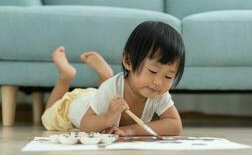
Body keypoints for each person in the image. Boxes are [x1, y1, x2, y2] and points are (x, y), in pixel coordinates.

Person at [42, 21, 185, 136]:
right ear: (128, 61)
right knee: (48, 115)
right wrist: (107, 118)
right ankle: (66, 76)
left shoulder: (158, 92)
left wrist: (130, 130)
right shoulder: (110, 89)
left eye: (168, 76)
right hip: (73, 105)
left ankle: (105, 75)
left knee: (107, 92)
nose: (158, 82)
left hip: (97, 96)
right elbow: (86, 126)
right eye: (153, 71)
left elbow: (175, 125)